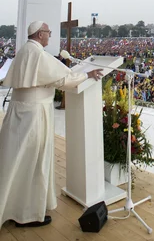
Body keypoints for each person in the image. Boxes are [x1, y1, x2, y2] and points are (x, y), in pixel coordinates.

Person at [0, 21, 103, 228]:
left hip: (20, 112)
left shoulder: (23, 51)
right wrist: (87, 74)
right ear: (39, 34)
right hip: (34, 115)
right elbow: (64, 78)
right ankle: (26, 213)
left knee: (16, 160)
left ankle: (12, 206)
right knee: (33, 160)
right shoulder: (38, 54)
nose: (50, 36)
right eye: (48, 33)